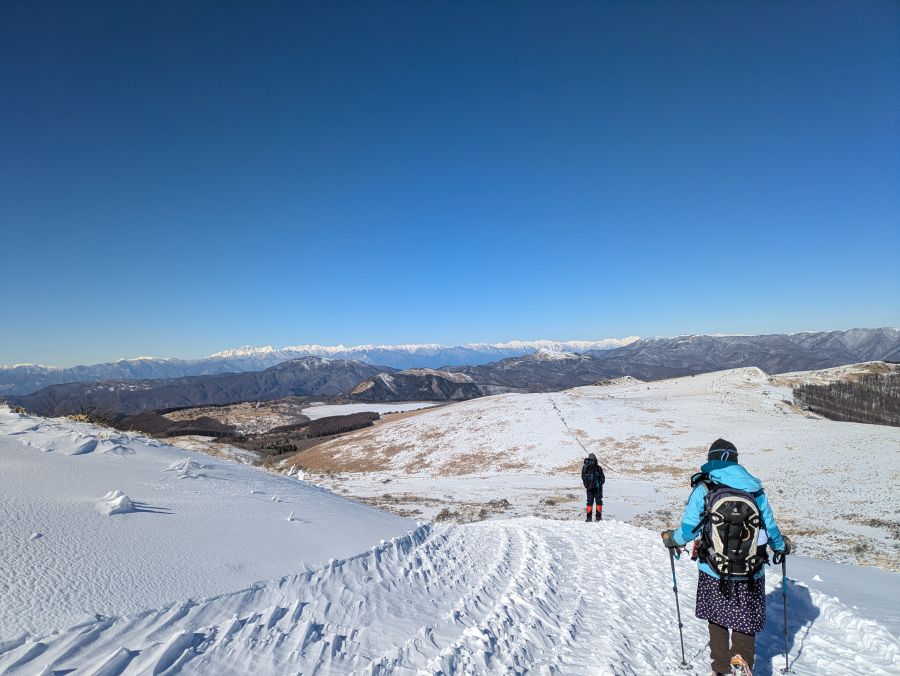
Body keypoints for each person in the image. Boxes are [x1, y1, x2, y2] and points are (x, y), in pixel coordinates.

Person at [661, 439, 792, 676]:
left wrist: (673, 540)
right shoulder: (754, 489)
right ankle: (740, 660)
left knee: (717, 617)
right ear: (735, 460)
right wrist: (781, 547)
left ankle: (720, 669)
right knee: (744, 618)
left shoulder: (705, 488)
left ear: (711, 459)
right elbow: (770, 527)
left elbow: (689, 528)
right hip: (751, 570)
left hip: (714, 568)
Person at [581, 452, 605, 521]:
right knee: (598, 502)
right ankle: (598, 518)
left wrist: (586, 485)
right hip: (598, 489)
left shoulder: (585, 467)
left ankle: (589, 518)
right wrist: (600, 484)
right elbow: (602, 478)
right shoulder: (598, 468)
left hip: (589, 488)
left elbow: (583, 477)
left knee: (589, 502)